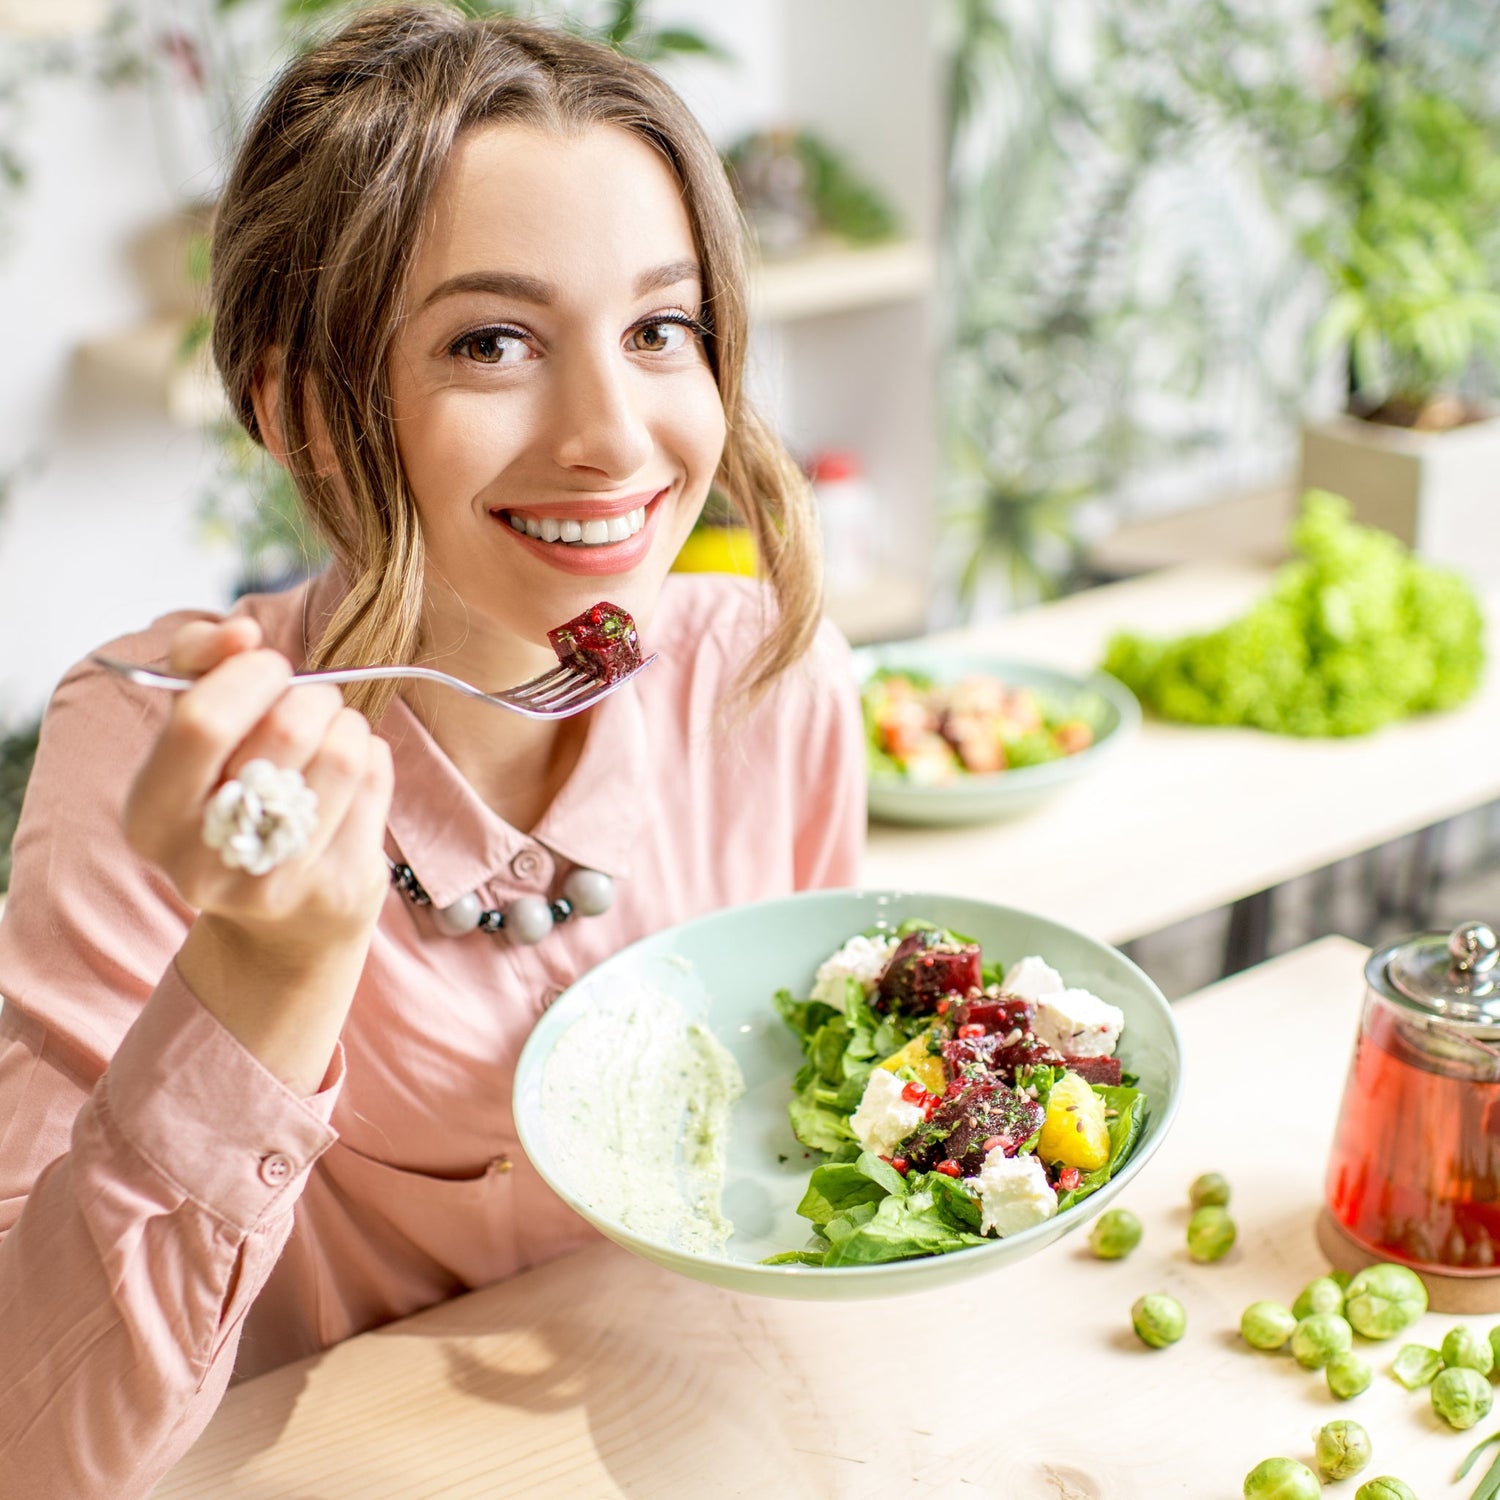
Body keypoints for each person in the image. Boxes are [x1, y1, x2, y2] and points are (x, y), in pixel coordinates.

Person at [0, 8, 866, 1495]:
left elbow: (814, 1161)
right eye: (492, 341)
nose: (615, 437)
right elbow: (33, 1442)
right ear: (293, 407)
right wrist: (262, 978)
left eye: (662, 329)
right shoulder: (155, 750)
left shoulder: (765, 678)